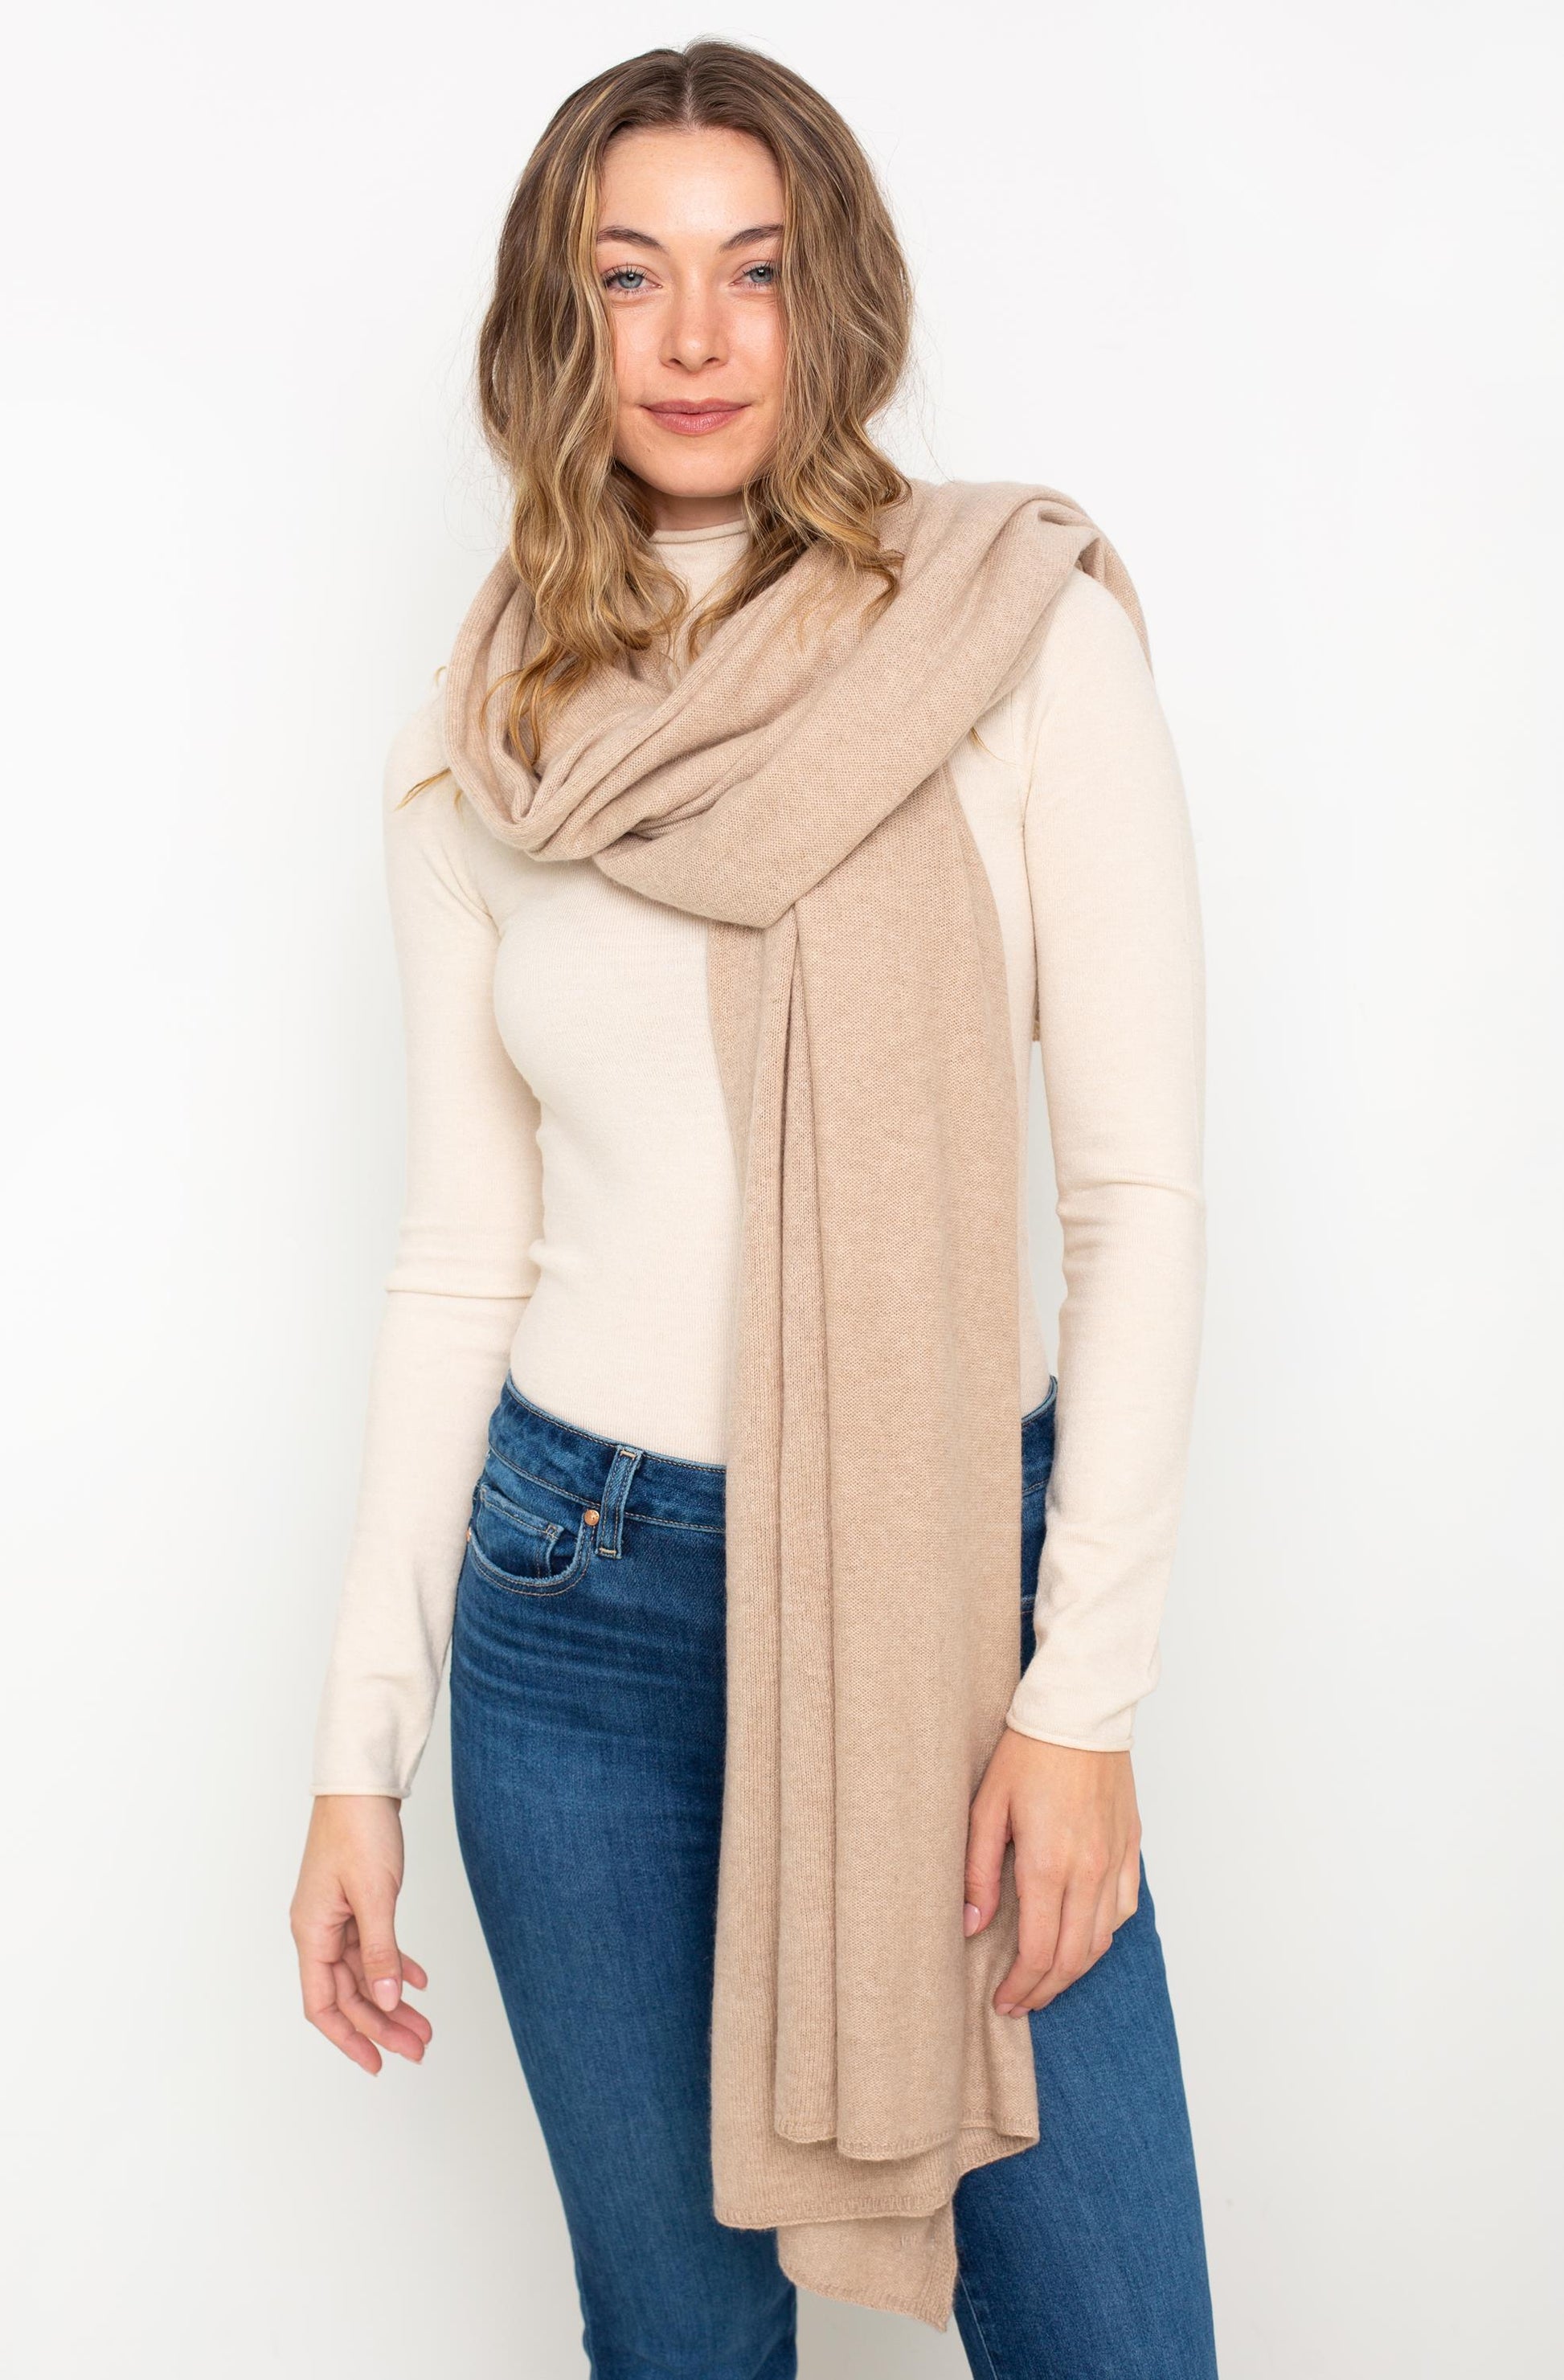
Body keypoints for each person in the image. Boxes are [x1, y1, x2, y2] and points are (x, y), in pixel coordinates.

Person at [290, 38, 1219, 2380]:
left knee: (1118, 2337)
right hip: (577, 1615)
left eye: (754, 271)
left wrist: (1079, 1699)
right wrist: (356, 1750)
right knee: (681, 2349)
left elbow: (1133, 1198)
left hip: (943, 1596)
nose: (695, 339)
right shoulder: (484, 738)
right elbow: (459, 1263)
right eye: (630, 277)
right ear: (557, 321)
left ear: (836, 301)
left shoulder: (1012, 630)